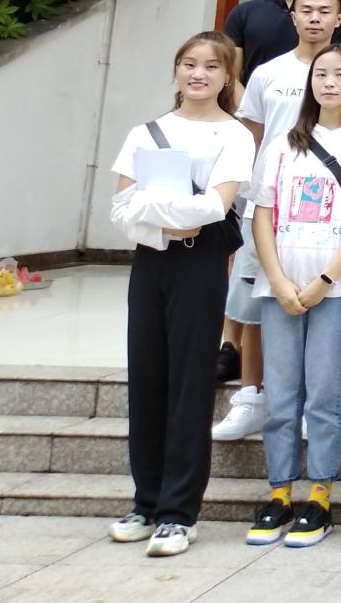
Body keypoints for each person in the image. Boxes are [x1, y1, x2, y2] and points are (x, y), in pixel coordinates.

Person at [108, 32, 254, 557]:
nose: (198, 74)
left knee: (191, 383)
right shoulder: (145, 132)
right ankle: (144, 502)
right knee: (146, 377)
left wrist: (152, 207)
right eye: (189, 64)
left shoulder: (234, 135)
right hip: (151, 262)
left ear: (227, 76)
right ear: (176, 69)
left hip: (200, 264)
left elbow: (217, 207)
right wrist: (168, 218)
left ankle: (178, 513)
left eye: (211, 67)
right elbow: (120, 210)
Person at [245, 41, 341, 549]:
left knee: (325, 397)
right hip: (280, 288)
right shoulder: (284, 144)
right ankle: (280, 493)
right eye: (321, 74)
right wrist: (278, 280)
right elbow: (262, 214)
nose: (330, 82)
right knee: (281, 396)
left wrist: (324, 281)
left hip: (339, 288)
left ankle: (321, 496)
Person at [215, 0, 341, 443]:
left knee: (321, 304)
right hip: (267, 206)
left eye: (324, 10)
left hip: (326, 209)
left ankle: (310, 403)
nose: (314, 18)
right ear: (293, 16)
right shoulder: (268, 73)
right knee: (258, 302)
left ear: (338, 19)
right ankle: (251, 397)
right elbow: (249, 137)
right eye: (306, 10)